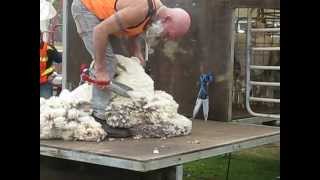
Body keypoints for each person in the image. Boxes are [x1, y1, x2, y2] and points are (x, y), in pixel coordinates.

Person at [71, 0, 191, 137]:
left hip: (103, 16)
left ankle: (101, 104)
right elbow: (100, 31)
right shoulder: (141, 9)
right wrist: (101, 70)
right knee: (108, 62)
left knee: (119, 60)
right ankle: (99, 117)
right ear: (166, 19)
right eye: (168, 34)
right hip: (86, 8)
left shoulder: (152, 15)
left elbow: (134, 28)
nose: (165, 38)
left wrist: (136, 51)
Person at [40, 30, 62, 98]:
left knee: (45, 105)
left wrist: (52, 75)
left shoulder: (48, 48)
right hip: (45, 82)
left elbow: (59, 59)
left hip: (45, 82)